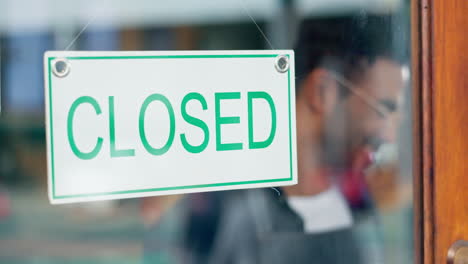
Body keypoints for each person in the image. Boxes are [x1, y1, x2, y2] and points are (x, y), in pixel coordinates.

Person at [205, 14, 405, 264]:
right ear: (323, 91)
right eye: (381, 110)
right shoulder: (236, 210)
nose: (390, 135)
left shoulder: (351, 203)